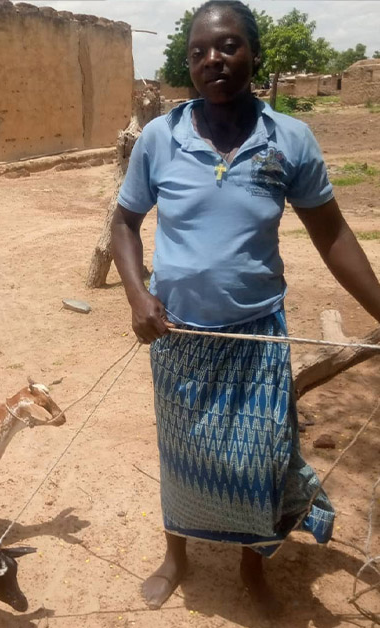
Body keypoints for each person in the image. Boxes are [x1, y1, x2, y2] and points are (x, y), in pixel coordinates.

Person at [111, 0, 380, 614]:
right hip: (177, 334)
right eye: (200, 51)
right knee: (182, 456)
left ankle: (252, 566)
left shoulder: (290, 140)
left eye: (229, 46)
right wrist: (137, 295)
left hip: (256, 334)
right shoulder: (160, 138)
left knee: (259, 460)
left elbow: (333, 235)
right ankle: (175, 556)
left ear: (253, 53)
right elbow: (125, 222)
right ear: (188, 63)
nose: (215, 60)